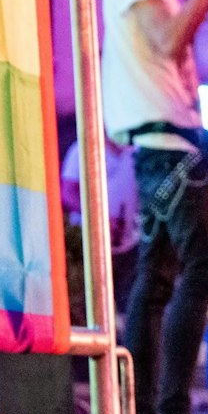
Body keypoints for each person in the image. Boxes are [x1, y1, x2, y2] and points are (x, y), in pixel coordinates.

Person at [101, 0, 208, 414]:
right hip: (164, 148)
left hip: (164, 146)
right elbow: (169, 42)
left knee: (157, 282)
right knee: (196, 273)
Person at [61, 135, 140, 316]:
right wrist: (100, 218)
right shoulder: (83, 147)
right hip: (88, 244)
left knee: (128, 306)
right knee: (91, 303)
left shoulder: (136, 150)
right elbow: (68, 191)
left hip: (129, 244)